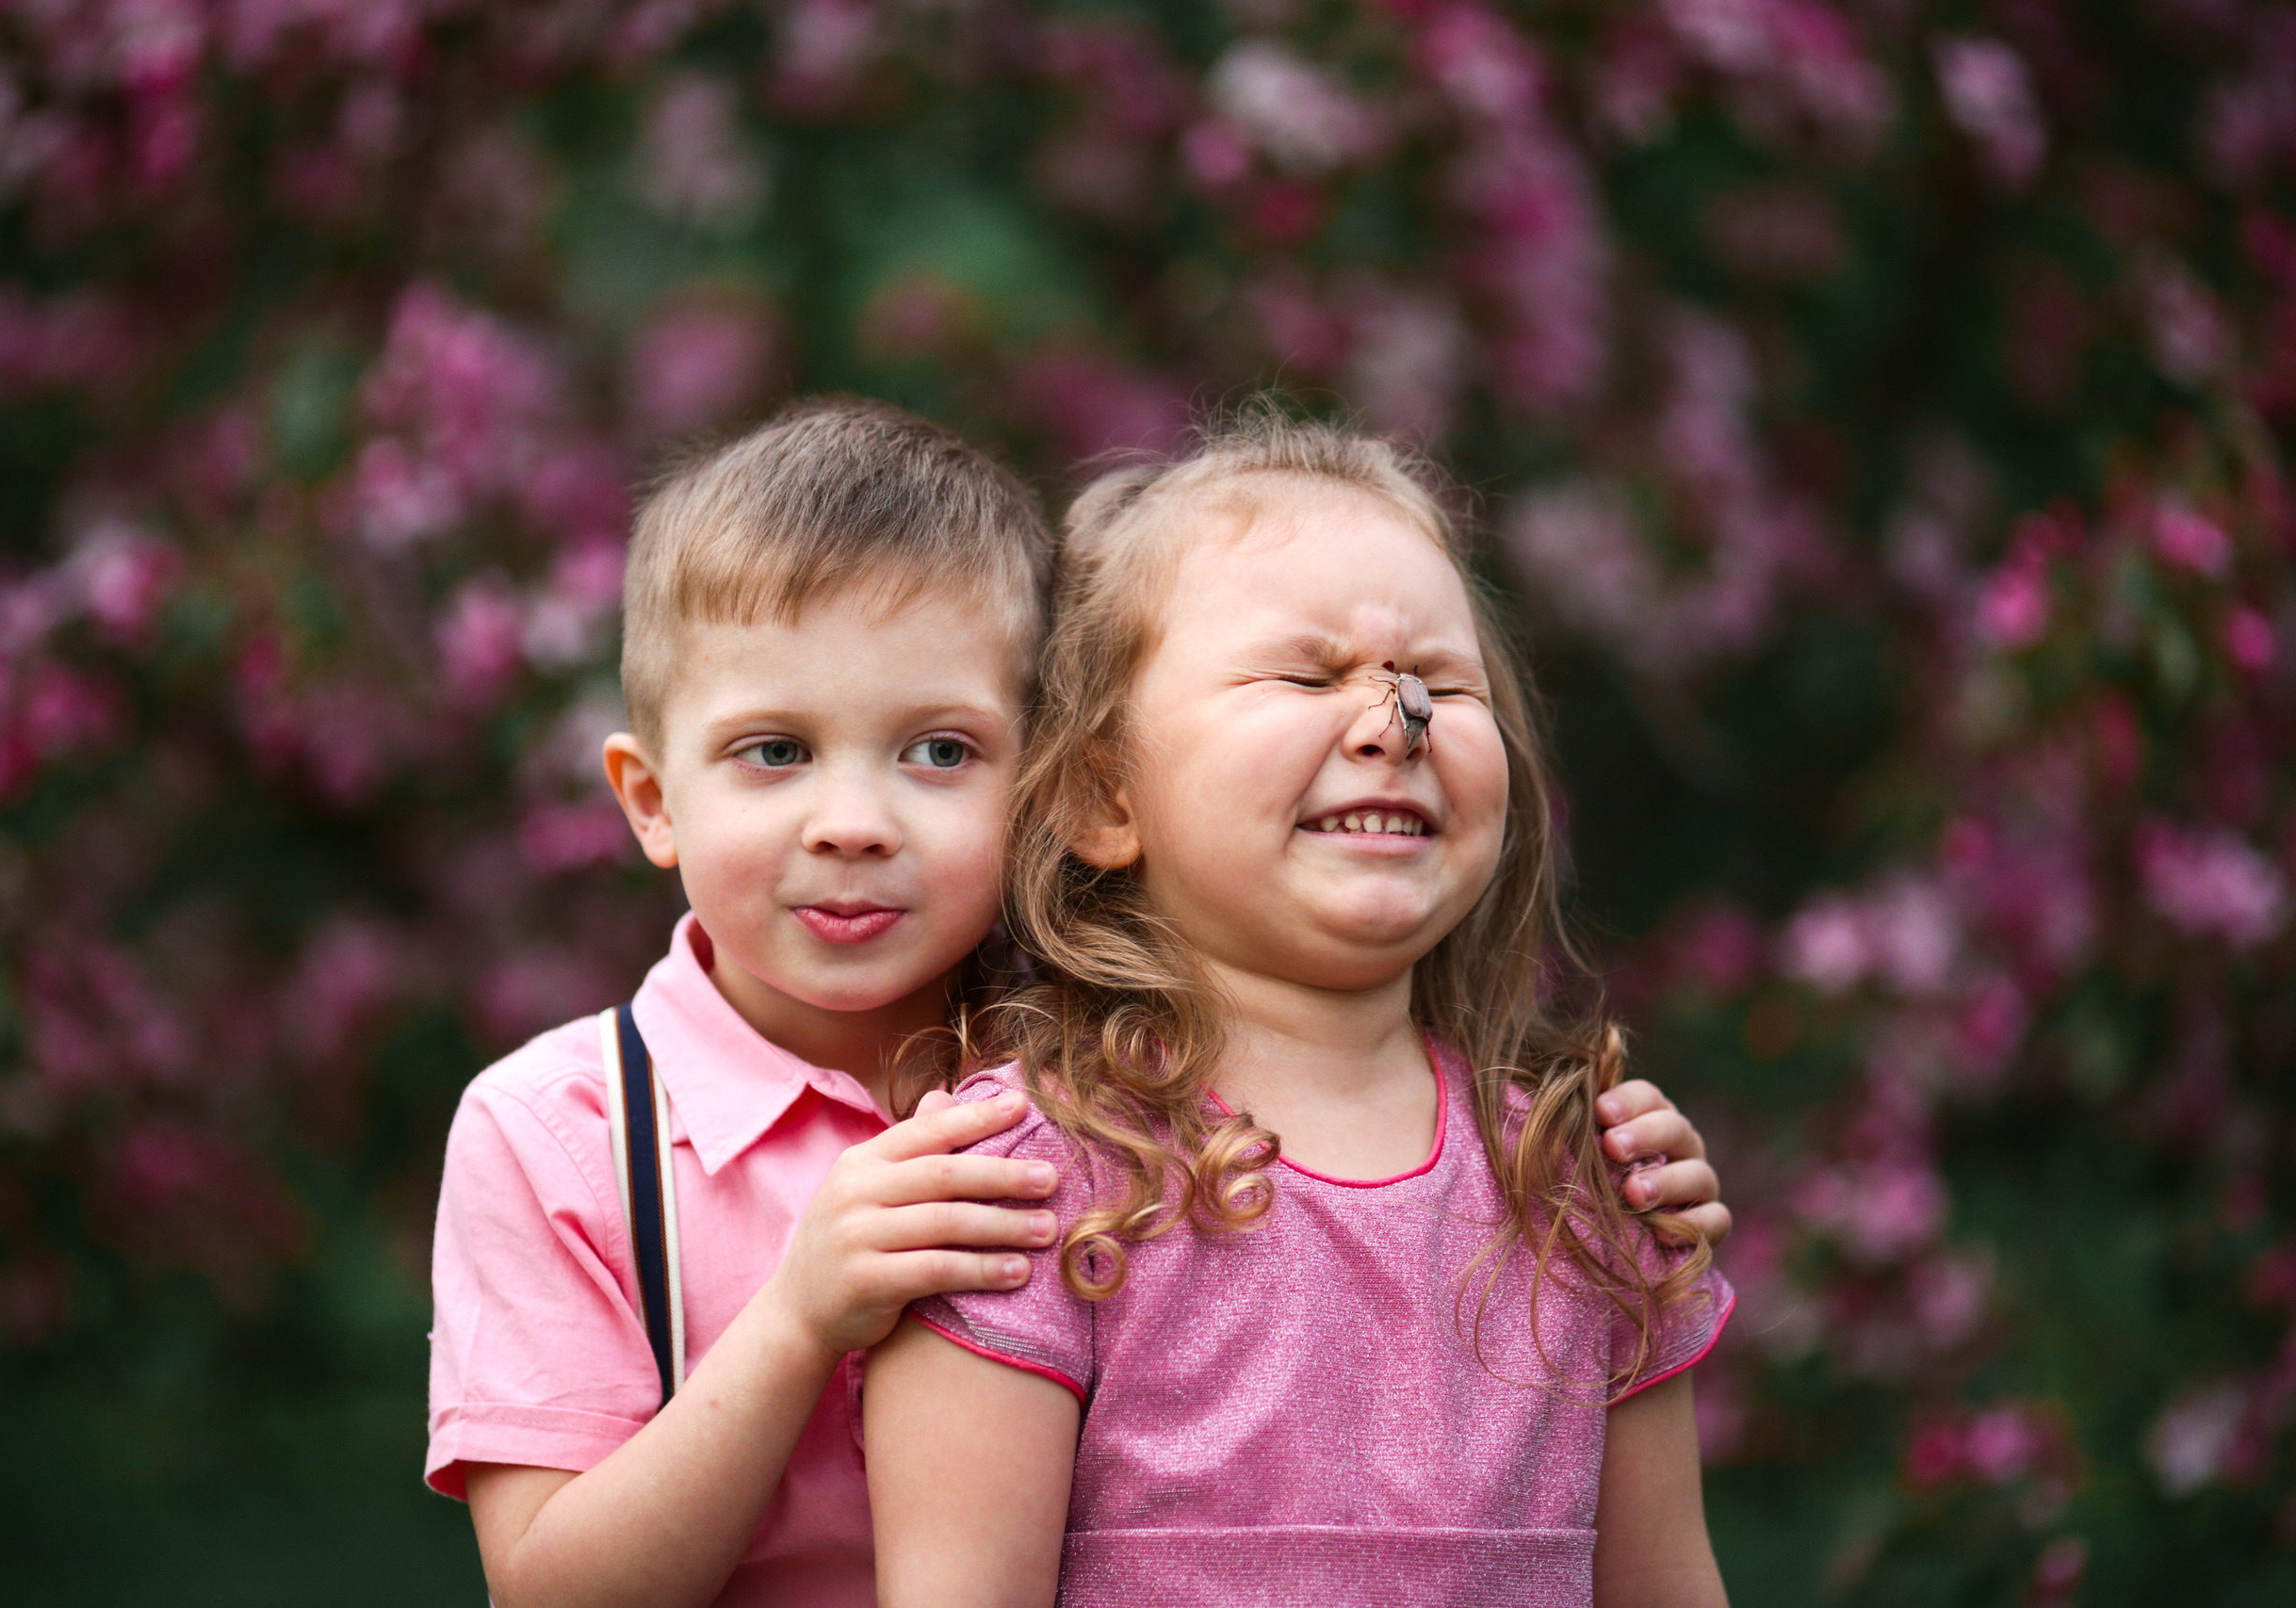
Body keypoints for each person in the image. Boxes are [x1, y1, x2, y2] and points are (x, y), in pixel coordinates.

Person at [427, 398, 1733, 1608]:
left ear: (1049, 779)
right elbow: (547, 1588)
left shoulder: (1115, 1094)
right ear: (650, 797)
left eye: (942, 751)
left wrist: (1601, 1173)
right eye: (776, 750)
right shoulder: (560, 1127)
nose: (854, 823)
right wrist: (798, 1317)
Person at [865, 412, 1736, 1608]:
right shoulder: (1020, 1184)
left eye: (1439, 682)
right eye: (1304, 674)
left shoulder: (1583, 1183)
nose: (1392, 723)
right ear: (1100, 794)